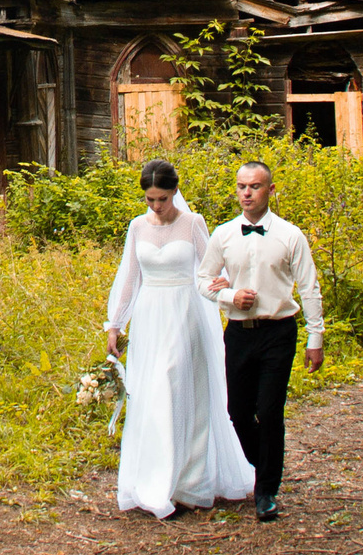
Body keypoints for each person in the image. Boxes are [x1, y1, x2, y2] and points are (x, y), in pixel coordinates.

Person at [101, 160, 257, 518]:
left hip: (185, 314)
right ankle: (155, 479)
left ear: (175, 192)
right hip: (150, 317)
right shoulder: (137, 227)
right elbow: (130, 277)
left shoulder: (192, 223)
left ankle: (189, 481)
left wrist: (226, 286)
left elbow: (211, 266)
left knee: (180, 387)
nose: (156, 206)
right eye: (150, 199)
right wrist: (115, 324)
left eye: (163, 198)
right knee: (153, 394)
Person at [199, 159, 324, 522]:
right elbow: (202, 279)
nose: (247, 193)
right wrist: (228, 297)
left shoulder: (290, 235)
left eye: (254, 187)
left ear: (270, 191)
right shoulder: (222, 235)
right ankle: (264, 461)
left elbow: (309, 287)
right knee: (237, 411)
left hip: (278, 331)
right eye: (241, 187)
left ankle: (266, 489)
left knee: (269, 410)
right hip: (238, 333)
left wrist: (315, 337)